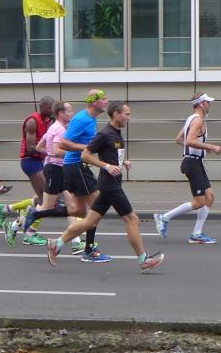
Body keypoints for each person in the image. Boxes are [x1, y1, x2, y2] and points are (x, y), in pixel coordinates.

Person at [46, 101, 164, 273]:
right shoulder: (104, 134)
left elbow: (111, 154)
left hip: (109, 184)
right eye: (127, 114)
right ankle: (143, 260)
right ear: (116, 114)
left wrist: (122, 162)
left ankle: (56, 244)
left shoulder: (116, 133)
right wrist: (106, 166)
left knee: (90, 221)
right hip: (110, 185)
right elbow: (85, 155)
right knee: (132, 219)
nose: (129, 118)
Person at [10, 101, 84, 253]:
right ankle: (15, 225)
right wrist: (78, 153)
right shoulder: (60, 130)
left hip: (57, 169)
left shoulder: (54, 127)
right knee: (47, 207)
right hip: (56, 170)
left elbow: (39, 147)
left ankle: (76, 241)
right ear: (61, 114)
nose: (72, 113)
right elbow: (56, 151)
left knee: (71, 206)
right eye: (69, 111)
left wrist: (50, 154)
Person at [154, 93, 221, 245]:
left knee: (210, 196)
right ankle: (164, 217)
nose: (210, 105)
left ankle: (196, 233)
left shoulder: (191, 118)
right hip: (192, 164)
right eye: (208, 102)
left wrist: (201, 149)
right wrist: (211, 146)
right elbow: (190, 140)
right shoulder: (198, 120)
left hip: (195, 162)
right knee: (199, 202)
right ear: (201, 104)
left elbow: (179, 139)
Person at [52, 89, 110, 262]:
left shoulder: (91, 119)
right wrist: (86, 148)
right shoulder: (82, 119)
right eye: (104, 99)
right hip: (76, 167)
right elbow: (63, 143)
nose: (107, 101)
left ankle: (40, 221)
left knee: (80, 211)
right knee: (96, 208)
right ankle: (88, 250)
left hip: (79, 167)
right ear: (94, 101)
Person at [0, 96, 54, 247]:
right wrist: (50, 151)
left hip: (41, 161)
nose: (52, 110)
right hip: (30, 162)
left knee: (44, 200)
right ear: (42, 107)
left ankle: (8, 211)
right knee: (46, 200)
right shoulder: (32, 122)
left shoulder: (49, 121)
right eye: (50, 108)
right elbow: (30, 147)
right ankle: (27, 232)